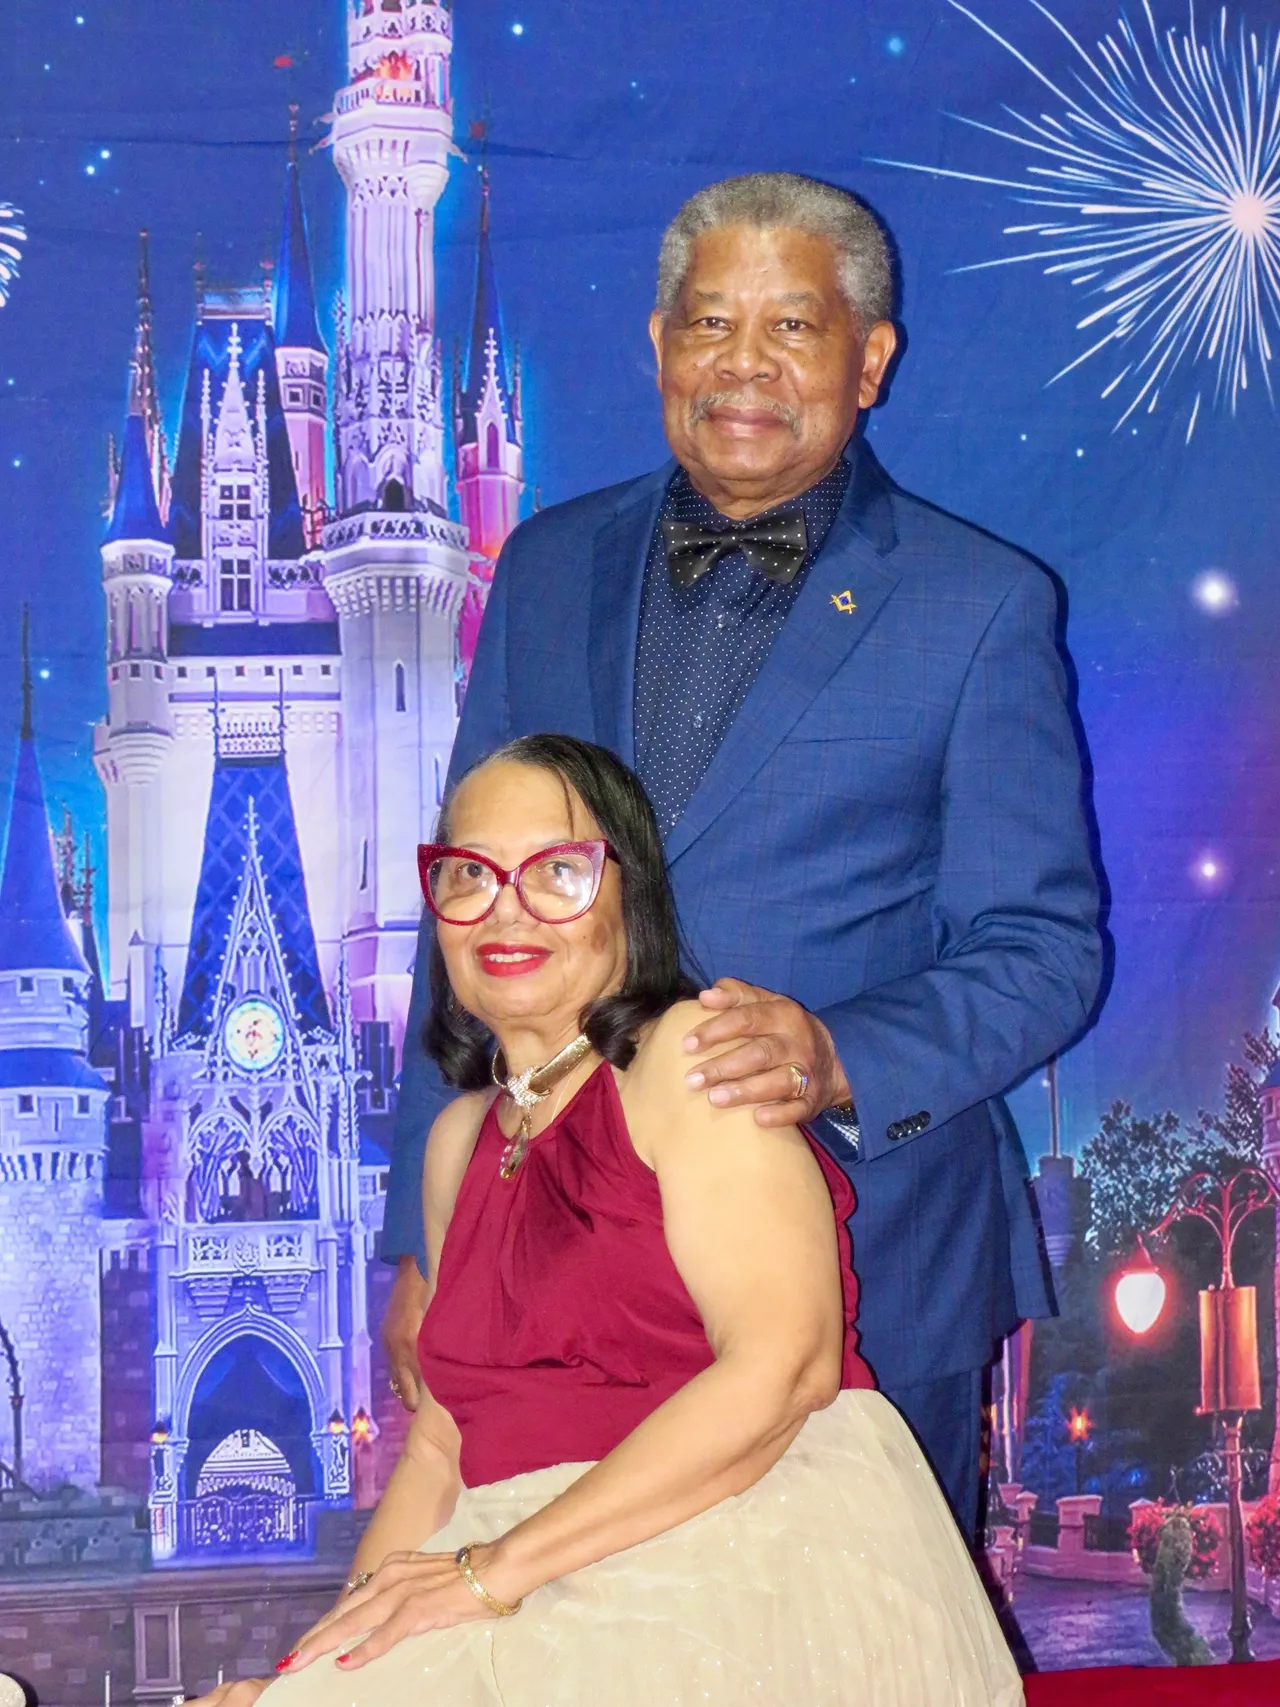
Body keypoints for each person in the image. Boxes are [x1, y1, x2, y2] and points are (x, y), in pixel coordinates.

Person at [381, 171, 1104, 1535]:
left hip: (869, 1271)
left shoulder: (981, 603)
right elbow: (463, 913)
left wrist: (843, 1053)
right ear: (658, 345)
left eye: (792, 326)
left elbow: (1044, 949)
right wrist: (424, 1236)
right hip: (552, 1288)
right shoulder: (539, 567)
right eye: (711, 324)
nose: (744, 366)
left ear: (871, 357)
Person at [193, 735, 1023, 1706]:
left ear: (628, 899)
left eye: (556, 872)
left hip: (720, 1546)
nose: (505, 908)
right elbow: (439, 1448)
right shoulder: (457, 1141)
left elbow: (782, 1367)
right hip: (513, 1564)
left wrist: (490, 1573)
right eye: (470, 874)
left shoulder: (684, 1059)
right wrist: (323, 1662)